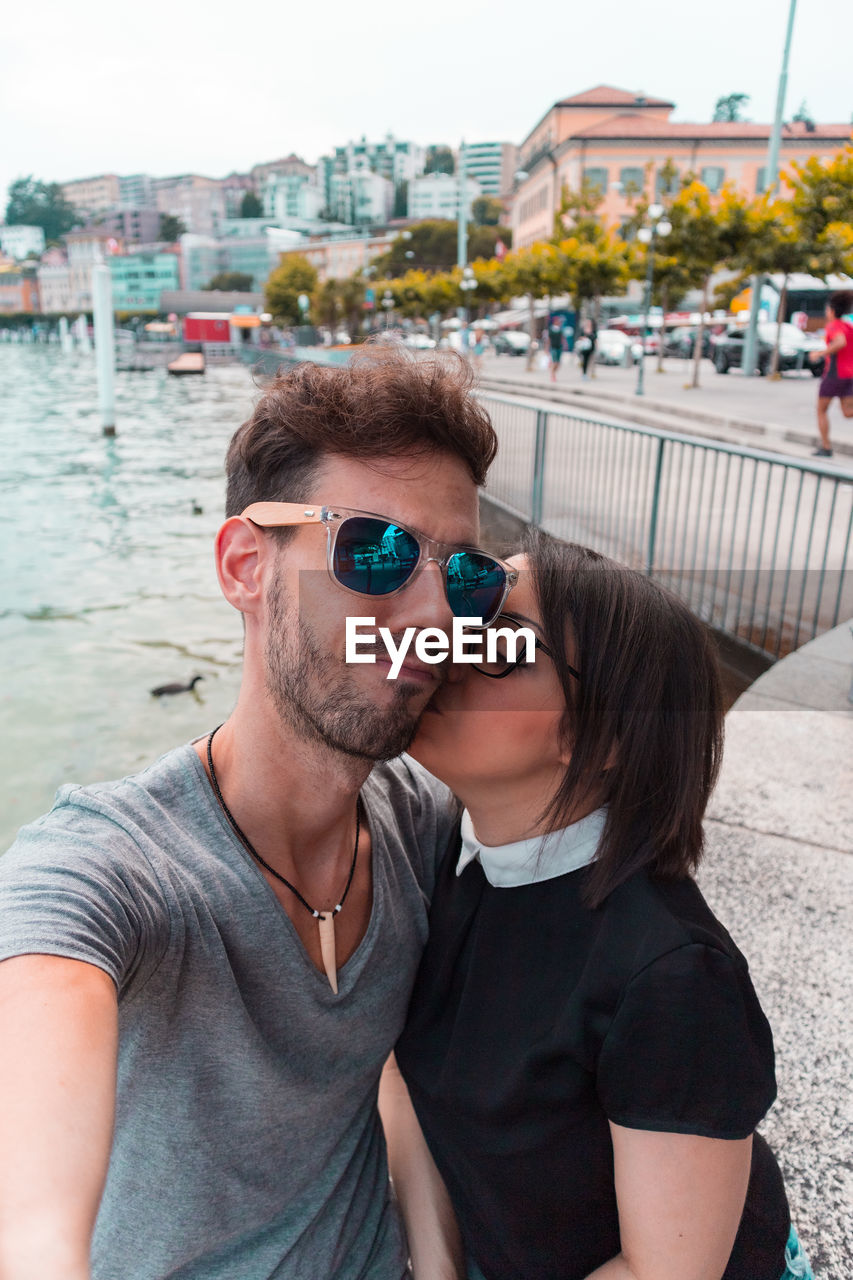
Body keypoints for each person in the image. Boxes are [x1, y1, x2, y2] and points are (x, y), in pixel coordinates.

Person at [0, 351, 510, 1279]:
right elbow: (33, 1224)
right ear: (244, 565)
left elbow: (391, 1063)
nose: (436, 613)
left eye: (467, 577)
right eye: (376, 552)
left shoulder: (423, 823)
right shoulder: (106, 869)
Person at [392, 529, 812, 1280]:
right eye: (461, 610)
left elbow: (663, 1271)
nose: (445, 645)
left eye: (502, 641)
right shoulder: (450, 859)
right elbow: (401, 1074)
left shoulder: (672, 977)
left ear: (604, 734)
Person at [808, 289, 853, 457]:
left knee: (821, 410)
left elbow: (840, 342)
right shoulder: (849, 325)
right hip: (849, 375)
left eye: (827, 309)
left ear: (832, 311)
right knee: (848, 412)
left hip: (834, 375)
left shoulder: (834, 325)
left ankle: (826, 447)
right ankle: (825, 446)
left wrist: (820, 353)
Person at [546, 317, 565, 383]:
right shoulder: (551, 329)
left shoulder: (560, 329)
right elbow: (548, 339)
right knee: (555, 362)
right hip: (553, 347)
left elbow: (562, 338)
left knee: (558, 363)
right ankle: (553, 375)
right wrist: (547, 348)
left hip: (559, 347)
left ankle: (553, 372)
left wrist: (564, 345)